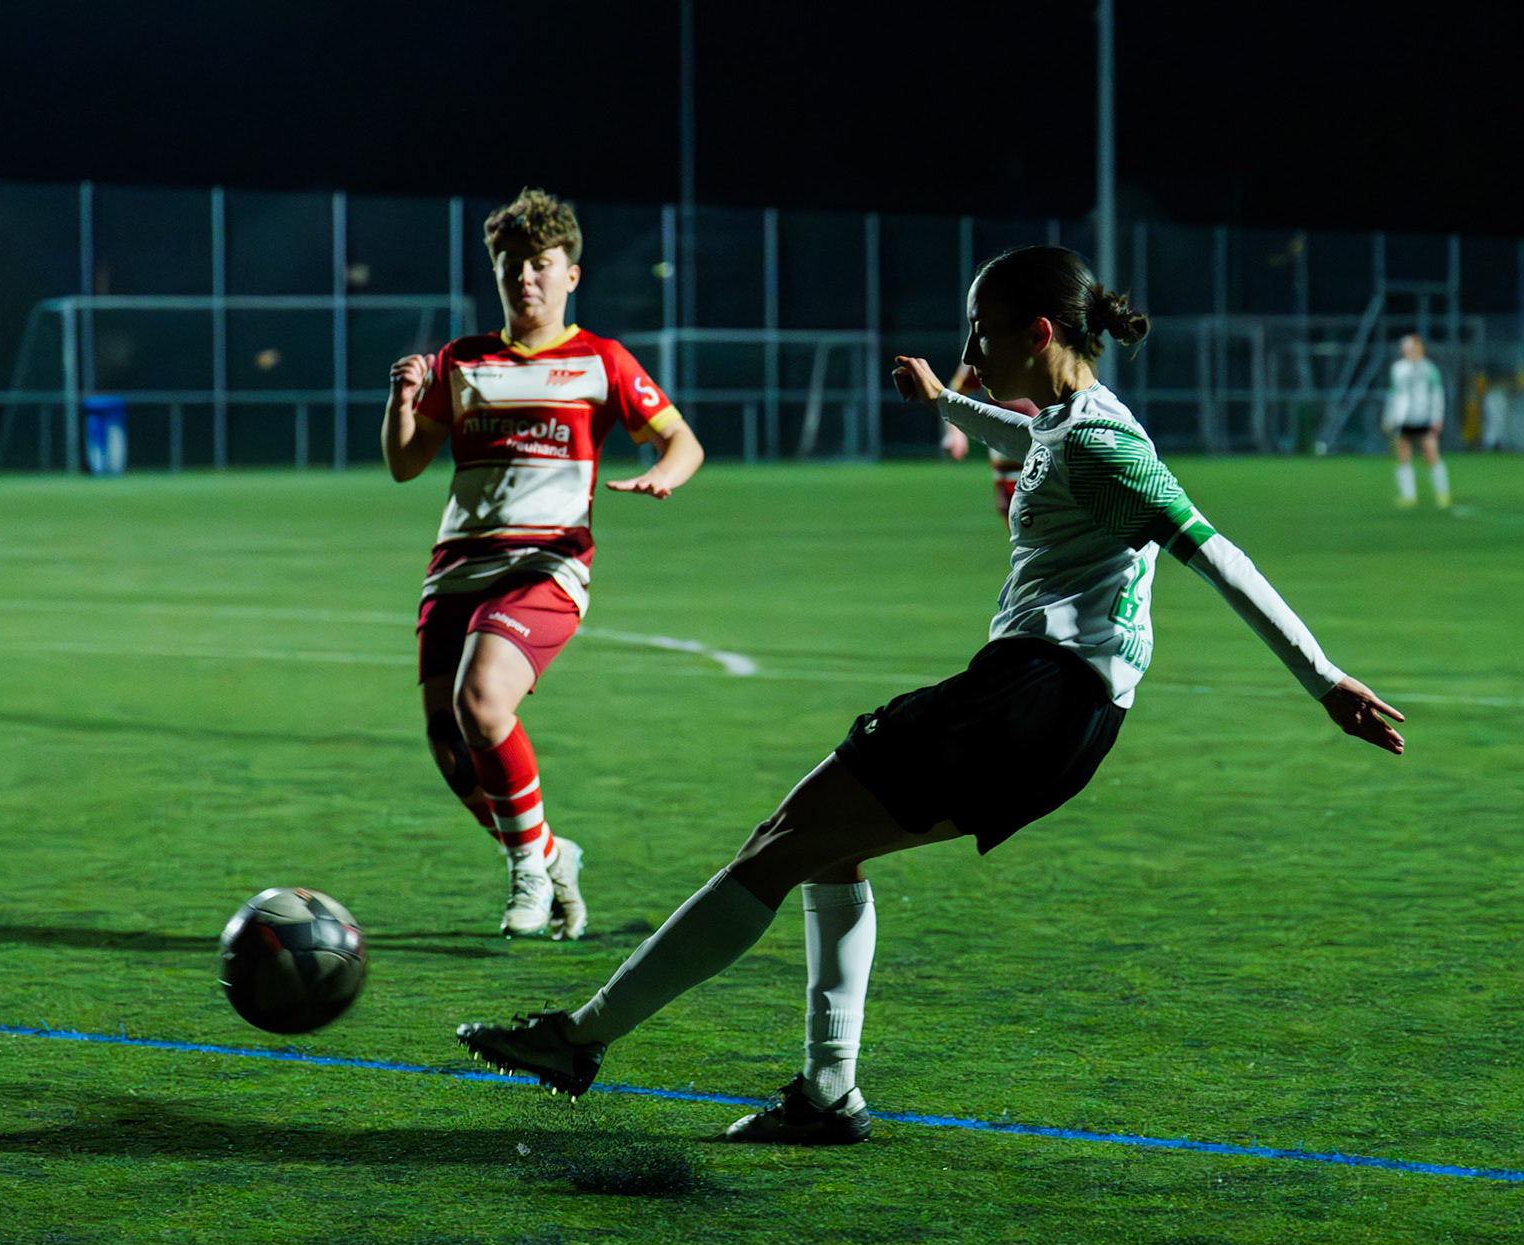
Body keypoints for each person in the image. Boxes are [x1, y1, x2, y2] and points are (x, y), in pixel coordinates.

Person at [458, 245, 1404, 1143]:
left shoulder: (1110, 448)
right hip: (1053, 708)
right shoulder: (1073, 422)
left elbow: (1214, 548)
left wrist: (1323, 680)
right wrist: (948, 399)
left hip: (1034, 699)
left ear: (1038, 332)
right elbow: (1032, 434)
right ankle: (827, 1093)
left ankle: (580, 1039)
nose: (968, 351)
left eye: (980, 334)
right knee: (827, 853)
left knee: (781, 843)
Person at [384, 187, 705, 941]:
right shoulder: (460, 362)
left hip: (547, 563)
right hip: (456, 568)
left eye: (540, 265)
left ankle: (528, 871)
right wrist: (402, 402)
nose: (525, 278)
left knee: (483, 701)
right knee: (453, 748)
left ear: (570, 275)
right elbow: (406, 465)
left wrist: (667, 473)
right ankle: (551, 854)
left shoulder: (601, 360)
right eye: (511, 265)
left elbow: (680, 439)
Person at [941, 362, 1037, 528]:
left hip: (1051, 444)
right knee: (1018, 520)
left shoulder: (1058, 346)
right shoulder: (989, 345)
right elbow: (956, 390)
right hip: (1007, 452)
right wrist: (955, 432)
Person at [1382, 334, 1449, 507]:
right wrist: (1389, 417)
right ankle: (1408, 496)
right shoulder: (1398, 369)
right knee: (1403, 456)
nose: (1410, 352)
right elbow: (1393, 394)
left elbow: (1437, 395)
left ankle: (1442, 493)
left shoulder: (1429, 369)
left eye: (1413, 348)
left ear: (1421, 349)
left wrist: (1437, 417)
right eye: (1407, 349)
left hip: (1424, 418)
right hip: (1404, 420)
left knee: (1431, 454)